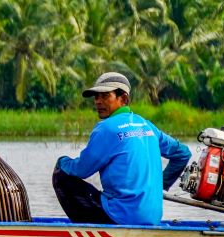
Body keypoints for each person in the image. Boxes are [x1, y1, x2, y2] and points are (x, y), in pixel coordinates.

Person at [53, 72, 191, 225]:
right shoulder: (147, 125)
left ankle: (88, 235)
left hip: (120, 217)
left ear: (123, 98)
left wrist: (62, 162)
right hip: (152, 218)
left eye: (105, 96)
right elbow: (183, 153)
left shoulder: (106, 128)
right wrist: (160, 187)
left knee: (62, 176)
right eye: (96, 97)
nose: (98, 102)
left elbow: (81, 170)